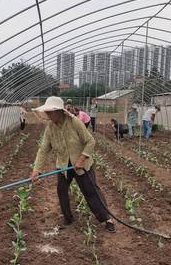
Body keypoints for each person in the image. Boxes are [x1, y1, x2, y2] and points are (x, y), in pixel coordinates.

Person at [30, 96, 116, 232]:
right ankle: (68, 218)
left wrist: (81, 160)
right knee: (61, 191)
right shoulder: (50, 128)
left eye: (50, 111)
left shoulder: (74, 122)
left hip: (81, 164)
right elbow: (43, 149)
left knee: (91, 192)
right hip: (64, 165)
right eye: (46, 111)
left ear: (59, 111)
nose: (47, 114)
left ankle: (107, 218)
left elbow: (90, 141)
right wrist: (37, 170)